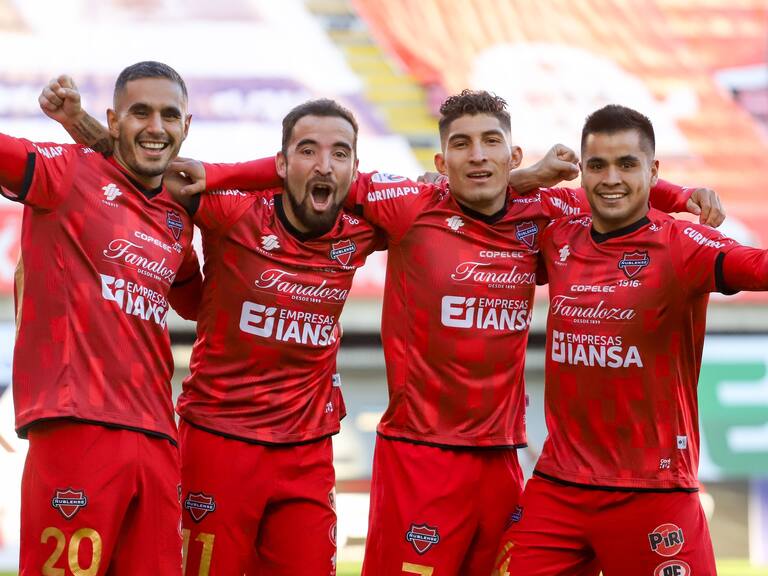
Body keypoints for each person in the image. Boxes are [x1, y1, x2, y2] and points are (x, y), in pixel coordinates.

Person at [173, 90, 723, 575]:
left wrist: (680, 196)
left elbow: (616, 187)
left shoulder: (550, 210)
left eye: (490, 143)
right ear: (441, 161)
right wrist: (216, 176)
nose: (477, 155)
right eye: (462, 144)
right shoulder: (410, 207)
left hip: (504, 460)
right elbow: (320, 171)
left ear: (511, 155)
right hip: (419, 456)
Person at [494, 104, 768, 576]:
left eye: (627, 164)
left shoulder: (683, 246)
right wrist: (530, 176)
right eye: (597, 165)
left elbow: (757, 266)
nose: (610, 179)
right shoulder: (559, 236)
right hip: (559, 486)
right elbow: (467, 196)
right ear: (582, 174)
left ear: (653, 171)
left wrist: (681, 199)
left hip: (653, 490)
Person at [3, 62, 201, 575]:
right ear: (112, 120)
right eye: (140, 112)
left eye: (169, 115)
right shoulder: (66, 171)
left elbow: (197, 303)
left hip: (159, 437)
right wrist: (75, 124)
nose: (156, 127)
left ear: (187, 126)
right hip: (77, 424)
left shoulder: (179, 220)